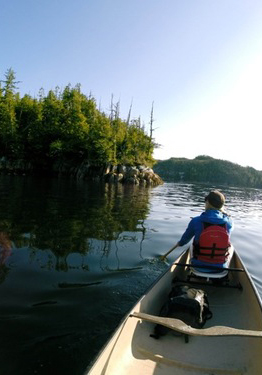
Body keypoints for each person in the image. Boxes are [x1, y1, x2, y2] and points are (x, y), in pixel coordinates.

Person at [162, 190, 234, 269]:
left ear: (207, 202)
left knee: (194, 243)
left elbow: (184, 241)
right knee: (230, 247)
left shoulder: (196, 221)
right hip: (220, 267)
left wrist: (180, 243)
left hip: (197, 265)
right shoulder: (229, 222)